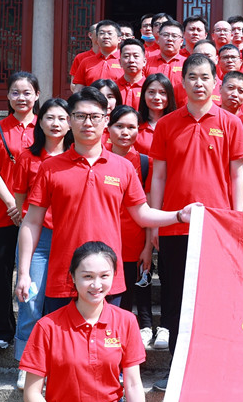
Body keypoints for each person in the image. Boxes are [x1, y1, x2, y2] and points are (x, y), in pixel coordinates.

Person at [16, 88, 193, 316]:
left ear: (106, 120)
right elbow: (31, 222)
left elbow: (142, 213)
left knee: (106, 338)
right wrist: (23, 273)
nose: (88, 123)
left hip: (108, 277)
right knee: (63, 339)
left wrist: (178, 215)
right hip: (64, 277)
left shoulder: (123, 167)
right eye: (80, 116)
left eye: (95, 116)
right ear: (69, 120)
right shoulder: (50, 168)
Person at [20, 242, 154, 402]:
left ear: (114, 276)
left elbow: (133, 384)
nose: (96, 285)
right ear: (72, 277)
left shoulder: (126, 321)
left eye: (104, 276)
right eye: (87, 276)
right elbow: (31, 393)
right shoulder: (48, 327)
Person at [149, 54, 243, 358]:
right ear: (182, 81)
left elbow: (237, 177)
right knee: (175, 297)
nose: (199, 83)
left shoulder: (231, 123)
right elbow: (158, 177)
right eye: (192, 77)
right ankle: (176, 366)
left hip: (216, 227)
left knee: (213, 297)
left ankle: (211, 362)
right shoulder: (166, 124)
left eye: (205, 77)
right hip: (173, 224)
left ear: (216, 82)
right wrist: (155, 222)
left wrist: (236, 222)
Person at [10, 97, 71, 385]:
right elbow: (21, 200)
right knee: (30, 300)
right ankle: (27, 363)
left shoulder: (76, 156)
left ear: (70, 123)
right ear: (40, 122)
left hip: (70, 237)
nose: (56, 124)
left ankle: (59, 361)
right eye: (50, 117)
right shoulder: (28, 157)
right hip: (39, 241)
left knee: (64, 304)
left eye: (62, 118)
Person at [0, 71, 40, 349]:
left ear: (37, 95)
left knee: (36, 270)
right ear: (7, 96)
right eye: (15, 92)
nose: (21, 97)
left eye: (27, 92)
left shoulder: (45, 126)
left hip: (37, 210)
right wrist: (12, 204)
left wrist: (27, 205)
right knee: (1, 272)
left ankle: (36, 327)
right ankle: (0, 331)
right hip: (1, 210)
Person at [106, 106, 158, 351]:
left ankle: (122, 346)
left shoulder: (145, 163)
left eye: (131, 127)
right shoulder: (98, 159)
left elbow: (149, 208)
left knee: (125, 300)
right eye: (119, 126)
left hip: (133, 242)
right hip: (103, 242)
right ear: (107, 129)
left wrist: (147, 247)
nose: (125, 132)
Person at [71, 20, 122, 91]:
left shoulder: (126, 61)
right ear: (97, 39)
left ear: (119, 39)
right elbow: (78, 89)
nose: (105, 36)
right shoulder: (86, 62)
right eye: (101, 33)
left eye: (110, 33)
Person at [144, 19, 187, 104]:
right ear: (158, 39)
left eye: (174, 36)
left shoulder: (187, 64)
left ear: (181, 41)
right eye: (166, 35)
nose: (170, 39)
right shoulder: (146, 62)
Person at [135, 73, 176, 154]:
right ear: (143, 95)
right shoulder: (135, 124)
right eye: (151, 92)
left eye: (162, 92)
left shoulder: (177, 125)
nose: (157, 97)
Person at [115, 38, 147, 110]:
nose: (131, 60)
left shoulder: (149, 88)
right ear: (120, 62)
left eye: (136, 56)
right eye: (126, 56)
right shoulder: (113, 87)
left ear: (144, 62)